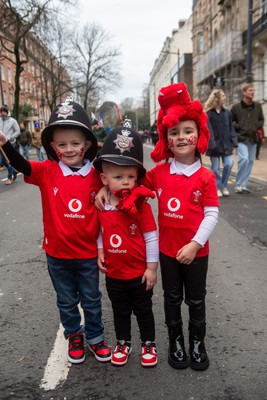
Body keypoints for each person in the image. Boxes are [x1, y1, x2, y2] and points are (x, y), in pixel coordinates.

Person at [95, 83, 219, 371]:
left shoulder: (206, 177)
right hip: (167, 252)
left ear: (199, 134)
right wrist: (102, 191)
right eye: (173, 133)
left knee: (196, 299)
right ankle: (175, 342)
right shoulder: (159, 172)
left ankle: (197, 342)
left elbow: (211, 215)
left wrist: (195, 244)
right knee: (172, 299)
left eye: (188, 130)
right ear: (166, 139)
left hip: (196, 253)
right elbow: (126, 183)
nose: (181, 137)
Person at [0, 97, 111, 365]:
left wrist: (107, 187)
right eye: (62, 144)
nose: (70, 149)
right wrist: (5, 144)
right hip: (57, 254)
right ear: (53, 146)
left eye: (75, 143)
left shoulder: (97, 175)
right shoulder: (48, 171)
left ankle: (95, 336)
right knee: (66, 300)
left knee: (92, 299)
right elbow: (24, 166)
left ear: (87, 145)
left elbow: (122, 177)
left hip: (86, 255)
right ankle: (74, 334)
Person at [93, 121, 159, 367]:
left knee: (143, 310)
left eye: (131, 177)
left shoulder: (141, 206)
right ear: (104, 178)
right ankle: (123, 342)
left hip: (138, 274)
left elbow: (151, 237)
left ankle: (148, 344)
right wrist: (100, 249)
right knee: (120, 312)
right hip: (115, 274)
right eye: (118, 177)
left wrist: (151, 268)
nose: (125, 182)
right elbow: (101, 230)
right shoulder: (102, 203)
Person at [204, 89, 238, 197]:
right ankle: (217, 188)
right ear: (217, 98)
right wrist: (211, 143)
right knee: (215, 169)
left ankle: (223, 186)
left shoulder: (227, 112)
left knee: (229, 164)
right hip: (214, 146)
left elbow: (231, 128)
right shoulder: (209, 114)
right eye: (223, 96)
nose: (225, 97)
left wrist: (234, 141)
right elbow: (208, 130)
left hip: (226, 144)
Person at [231, 83, 264, 193]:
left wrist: (256, 126)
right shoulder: (236, 107)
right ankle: (238, 184)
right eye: (250, 90)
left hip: (253, 138)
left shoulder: (257, 106)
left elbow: (261, 119)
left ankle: (244, 185)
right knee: (243, 159)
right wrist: (239, 126)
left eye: (253, 90)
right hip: (241, 137)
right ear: (244, 92)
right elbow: (231, 122)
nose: (252, 92)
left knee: (250, 161)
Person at [0, 105, 20, 184]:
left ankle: (10, 178)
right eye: (1, 112)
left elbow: (18, 131)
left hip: (10, 143)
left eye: (4, 111)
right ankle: (14, 170)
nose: (2, 113)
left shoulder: (13, 120)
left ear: (7, 112)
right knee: (2, 161)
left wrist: (11, 137)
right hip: (1, 144)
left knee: (9, 160)